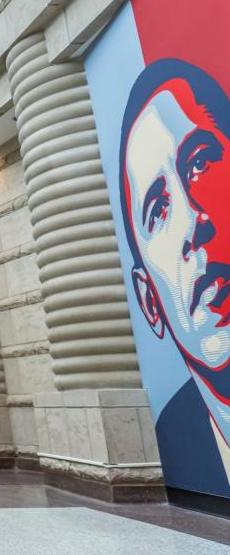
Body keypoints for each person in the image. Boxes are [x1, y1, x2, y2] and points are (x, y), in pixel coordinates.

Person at [119, 58, 230, 496]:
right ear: (148, 302)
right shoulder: (174, 427)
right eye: (159, 208)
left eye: (200, 163)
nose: (193, 221)